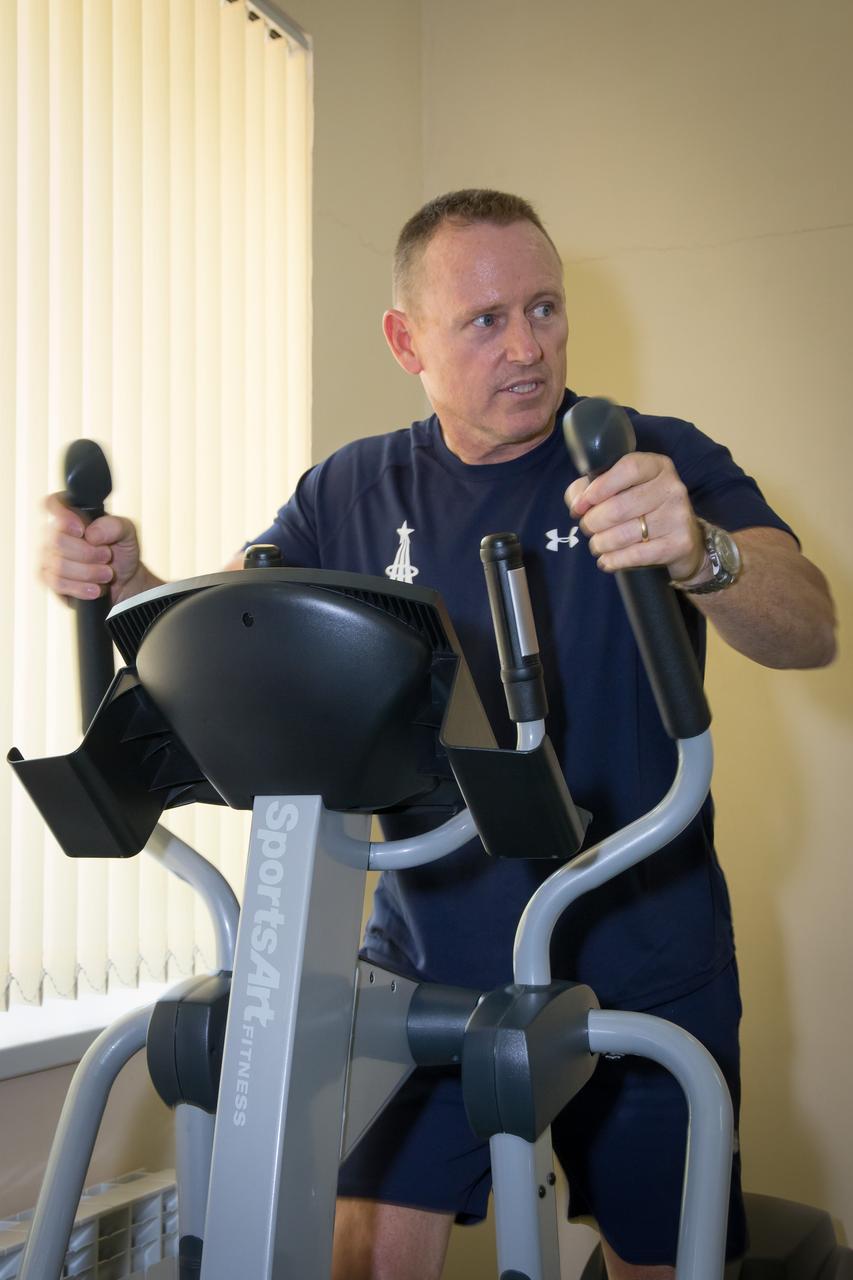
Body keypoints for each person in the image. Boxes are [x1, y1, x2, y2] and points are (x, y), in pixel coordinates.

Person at [42, 190, 836, 1280]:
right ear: (404, 339)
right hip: (428, 944)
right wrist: (132, 585)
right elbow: (233, 626)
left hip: (644, 937)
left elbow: (809, 625)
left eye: (545, 307)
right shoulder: (347, 488)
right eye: (485, 319)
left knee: (662, 1257)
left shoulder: (650, 454)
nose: (529, 345)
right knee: (366, 1248)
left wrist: (704, 553)